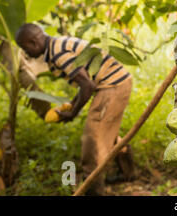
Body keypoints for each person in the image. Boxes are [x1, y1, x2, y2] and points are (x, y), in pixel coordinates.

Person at [15, 23, 135, 195]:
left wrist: (73, 112)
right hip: (114, 83)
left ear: (34, 42)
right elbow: (84, 83)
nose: (26, 54)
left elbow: (87, 85)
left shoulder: (58, 53)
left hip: (112, 85)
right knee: (106, 133)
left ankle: (93, 190)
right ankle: (127, 173)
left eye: (24, 48)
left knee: (93, 139)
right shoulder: (55, 46)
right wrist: (72, 105)